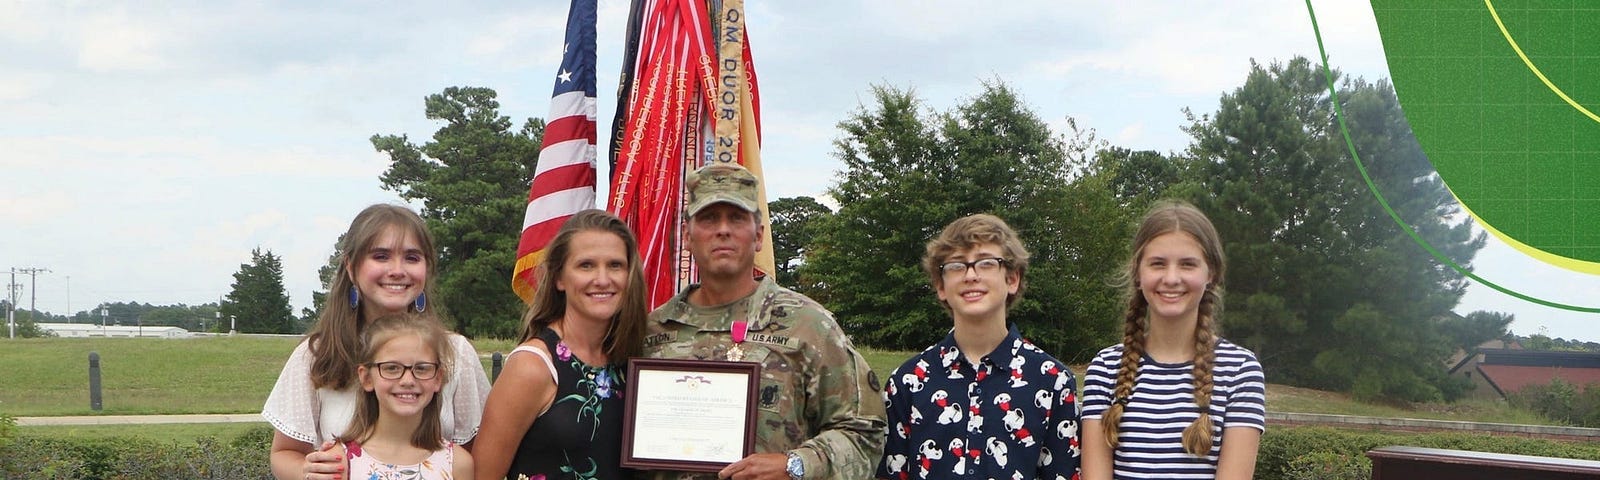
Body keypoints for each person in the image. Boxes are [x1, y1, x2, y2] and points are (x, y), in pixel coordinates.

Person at [641, 162, 886, 480]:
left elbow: (865, 434)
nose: (723, 229)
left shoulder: (809, 327)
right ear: (687, 236)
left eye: (737, 218)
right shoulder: (651, 332)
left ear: (757, 236)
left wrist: (798, 465)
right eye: (709, 218)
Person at [265, 203, 493, 480]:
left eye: (411, 257)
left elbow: (473, 457)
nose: (397, 270)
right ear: (351, 266)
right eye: (381, 256)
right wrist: (307, 471)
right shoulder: (317, 354)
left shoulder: (456, 354)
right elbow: (284, 453)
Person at [876, 213, 1082, 480]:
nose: (971, 275)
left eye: (986, 263)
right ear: (941, 286)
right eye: (956, 265)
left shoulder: (1052, 381)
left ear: (1012, 279)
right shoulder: (907, 382)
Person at [1079, 200, 1266, 480]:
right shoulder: (1105, 368)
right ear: (1138, 273)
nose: (1171, 278)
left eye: (1188, 265)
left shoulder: (1240, 370)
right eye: (1158, 264)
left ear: (1210, 273)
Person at [473, 209, 648, 480]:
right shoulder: (533, 366)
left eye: (615, 265)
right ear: (559, 278)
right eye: (585, 265)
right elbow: (483, 476)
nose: (602, 279)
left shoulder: (631, 361)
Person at [334, 311, 474, 480]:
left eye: (422, 368)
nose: (408, 380)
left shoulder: (457, 464)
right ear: (367, 378)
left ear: (438, 378)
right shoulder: (339, 461)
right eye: (392, 368)